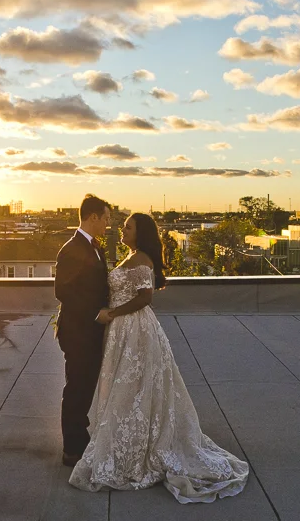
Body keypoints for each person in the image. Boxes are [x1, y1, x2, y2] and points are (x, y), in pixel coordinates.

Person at [69, 212, 249, 503]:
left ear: (140, 233)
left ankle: (136, 447)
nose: (122, 230)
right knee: (129, 388)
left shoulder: (141, 259)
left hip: (134, 330)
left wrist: (112, 313)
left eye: (128, 227)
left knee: (133, 387)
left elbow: (145, 297)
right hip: (122, 330)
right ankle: (126, 440)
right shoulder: (132, 256)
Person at [54, 194, 111, 467]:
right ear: (93, 217)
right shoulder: (71, 249)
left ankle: (80, 437)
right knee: (76, 388)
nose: (108, 224)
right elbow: (63, 291)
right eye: (106, 218)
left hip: (90, 332)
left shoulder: (95, 246)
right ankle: (72, 449)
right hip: (77, 332)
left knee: (85, 386)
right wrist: (95, 313)